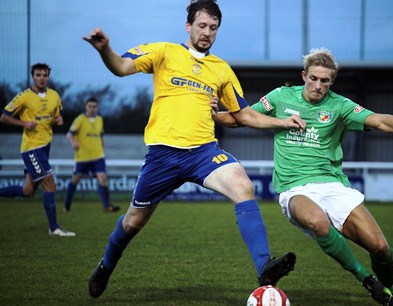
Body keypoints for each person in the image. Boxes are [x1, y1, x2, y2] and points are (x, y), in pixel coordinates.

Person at [82, 0, 305, 298]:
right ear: (188, 25)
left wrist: (282, 122)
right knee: (133, 221)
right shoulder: (163, 52)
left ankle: (264, 267)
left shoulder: (221, 69)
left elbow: (244, 114)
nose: (207, 32)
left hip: (203, 153)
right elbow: (121, 67)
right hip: (163, 154)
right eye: (202, 25)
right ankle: (106, 265)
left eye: (213, 28)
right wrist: (104, 50)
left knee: (243, 185)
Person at [212, 48, 393, 306]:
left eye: (325, 81)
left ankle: (388, 291)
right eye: (313, 78)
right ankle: (367, 280)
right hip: (294, 189)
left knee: (380, 248)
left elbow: (380, 121)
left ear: (331, 81)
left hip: (333, 187)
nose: (317, 85)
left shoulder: (339, 106)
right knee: (317, 222)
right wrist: (215, 116)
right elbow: (244, 118)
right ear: (304, 75)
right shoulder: (281, 97)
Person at [0, 63, 76, 237]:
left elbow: (58, 115)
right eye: (38, 75)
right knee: (50, 183)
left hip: (44, 147)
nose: (41, 78)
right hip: (31, 148)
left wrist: (59, 120)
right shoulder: (24, 97)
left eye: (44, 75)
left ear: (48, 76)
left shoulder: (54, 96)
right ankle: (54, 228)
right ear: (33, 77)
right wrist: (23, 123)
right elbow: (4, 116)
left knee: (28, 191)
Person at [64, 97, 120, 213]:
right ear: (86, 107)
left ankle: (107, 206)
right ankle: (67, 206)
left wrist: (102, 150)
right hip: (82, 157)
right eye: (89, 106)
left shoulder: (100, 119)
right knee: (75, 180)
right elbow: (69, 134)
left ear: (97, 108)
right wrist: (74, 142)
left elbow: (100, 136)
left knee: (103, 179)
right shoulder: (80, 119)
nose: (92, 109)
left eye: (94, 107)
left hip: (98, 156)